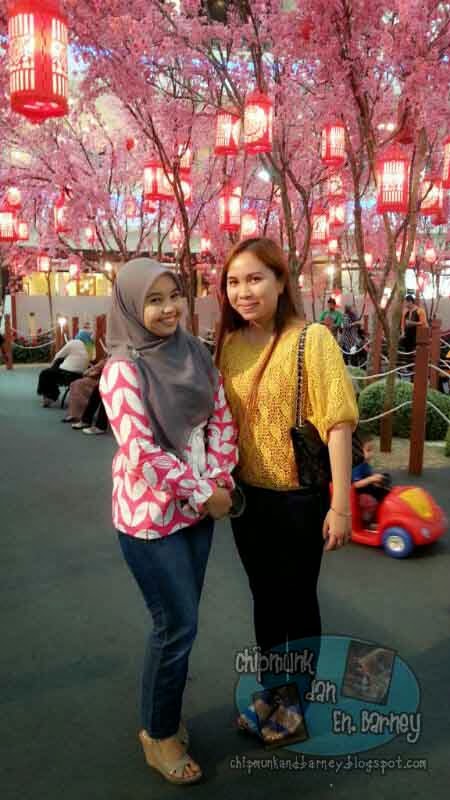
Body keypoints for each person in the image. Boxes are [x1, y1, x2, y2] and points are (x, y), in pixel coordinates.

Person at [99, 258, 238, 784]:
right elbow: (140, 452)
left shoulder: (195, 352)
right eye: (153, 300)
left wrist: (220, 478)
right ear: (132, 306)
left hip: (199, 514)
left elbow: (221, 415)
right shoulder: (122, 370)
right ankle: (157, 734)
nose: (167, 309)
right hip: (151, 520)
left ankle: (164, 715)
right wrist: (205, 492)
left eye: (173, 296)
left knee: (181, 624)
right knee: (176, 626)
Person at [216, 237, 359, 746]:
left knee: (296, 603)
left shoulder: (310, 339)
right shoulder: (230, 344)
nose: (244, 291)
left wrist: (341, 506)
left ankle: (294, 705)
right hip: (247, 499)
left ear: (280, 282)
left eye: (255, 278)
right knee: (264, 599)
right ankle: (272, 691)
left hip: (298, 498)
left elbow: (337, 423)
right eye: (234, 282)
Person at [36, 330, 94, 406]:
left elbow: (58, 355)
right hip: (79, 375)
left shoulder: (74, 342)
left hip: (67, 374)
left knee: (45, 373)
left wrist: (51, 366)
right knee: (54, 370)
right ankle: (53, 395)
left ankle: (49, 398)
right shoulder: (89, 346)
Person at [351, 430, 391, 526]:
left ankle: (382, 515)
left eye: (372, 450)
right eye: (368, 450)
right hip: (358, 494)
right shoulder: (357, 466)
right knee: (370, 502)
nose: (371, 454)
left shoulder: (365, 464)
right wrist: (371, 479)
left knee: (387, 493)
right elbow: (355, 485)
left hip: (367, 489)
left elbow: (368, 477)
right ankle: (366, 522)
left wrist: (376, 480)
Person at [62, 358, 107, 423]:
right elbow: (93, 369)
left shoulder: (110, 359)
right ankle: (75, 414)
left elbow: (95, 370)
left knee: (78, 384)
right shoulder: (106, 358)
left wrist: (90, 372)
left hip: (102, 380)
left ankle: (79, 414)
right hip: (96, 378)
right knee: (76, 384)